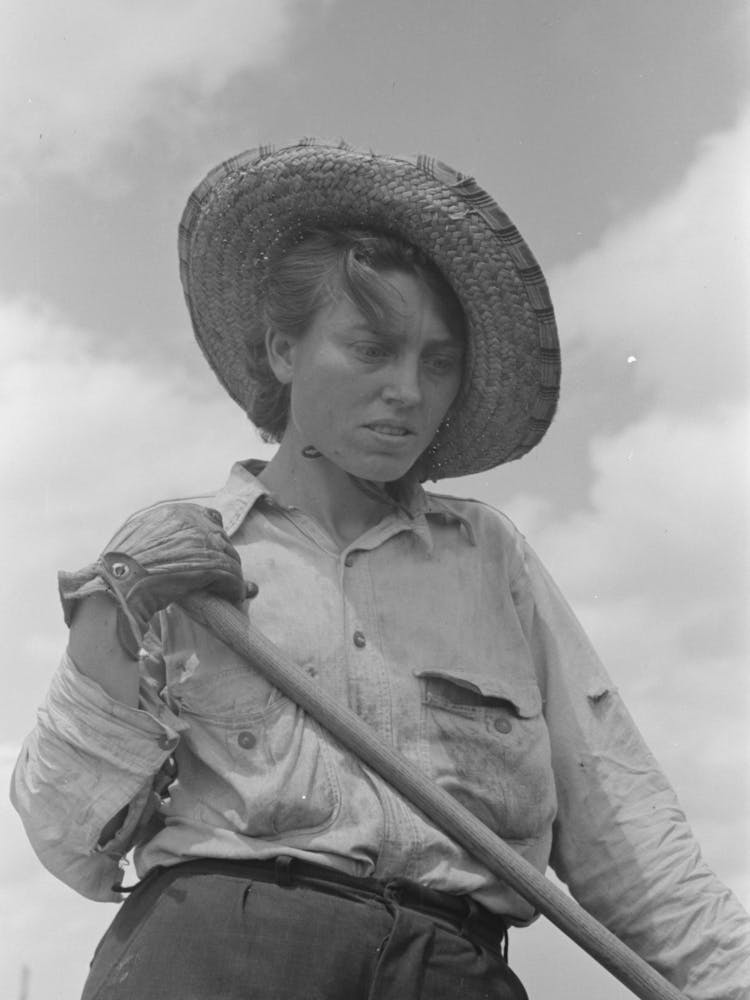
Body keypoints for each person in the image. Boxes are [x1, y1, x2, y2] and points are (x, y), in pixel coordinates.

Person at [11, 140, 750, 1000]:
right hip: (216, 959)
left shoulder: (490, 557)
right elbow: (68, 842)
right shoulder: (175, 556)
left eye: (437, 361)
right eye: (371, 348)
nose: (409, 389)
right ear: (284, 350)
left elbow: (625, 827)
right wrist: (113, 613)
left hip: (454, 970)